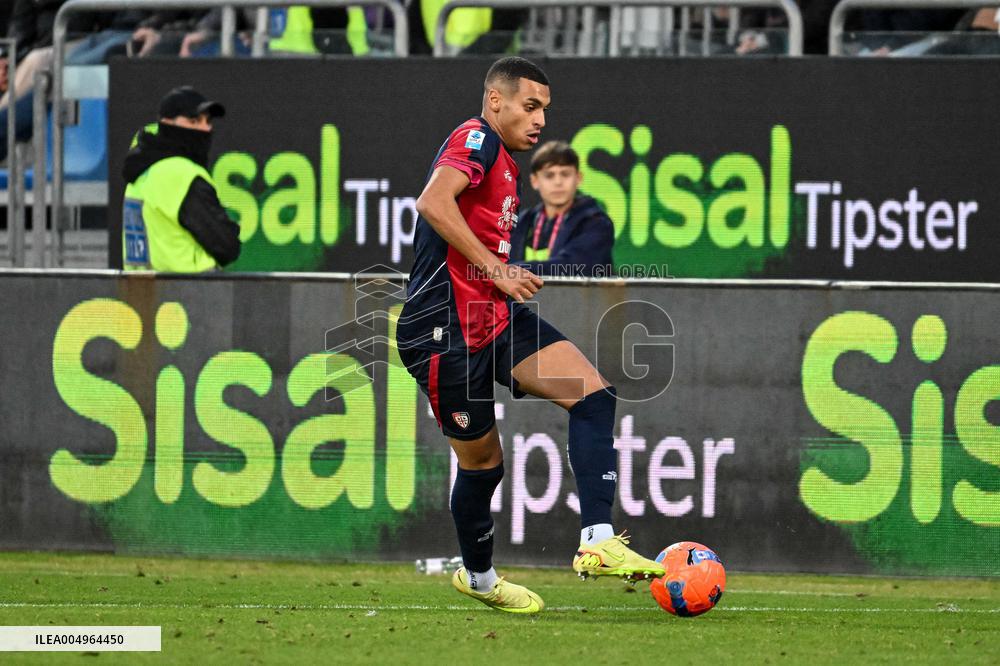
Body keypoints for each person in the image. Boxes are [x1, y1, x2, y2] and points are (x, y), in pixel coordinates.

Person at [395, 57, 663, 614]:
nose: (540, 120)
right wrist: (496, 269)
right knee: (484, 465)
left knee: (593, 396)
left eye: (545, 109)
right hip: (442, 329)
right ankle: (480, 576)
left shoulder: (509, 167)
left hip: (491, 316)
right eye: (530, 106)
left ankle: (596, 540)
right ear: (496, 101)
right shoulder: (476, 137)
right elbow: (432, 203)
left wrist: (500, 271)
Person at [121, 86, 240, 272]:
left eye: (208, 121)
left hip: (140, 291)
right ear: (167, 122)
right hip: (190, 292)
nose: (205, 128)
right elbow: (226, 246)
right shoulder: (181, 175)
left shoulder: (141, 171)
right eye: (194, 121)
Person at [510, 140, 613, 277]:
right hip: (524, 299)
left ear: (578, 178)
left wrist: (511, 271)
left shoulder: (597, 224)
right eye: (549, 175)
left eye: (565, 174)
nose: (558, 182)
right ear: (535, 181)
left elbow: (576, 267)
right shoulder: (520, 222)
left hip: (577, 299)